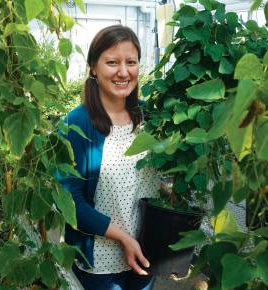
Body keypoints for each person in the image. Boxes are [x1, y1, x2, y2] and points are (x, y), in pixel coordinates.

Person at [57, 25, 161, 290]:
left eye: (131, 62)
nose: (123, 72)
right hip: (100, 260)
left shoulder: (148, 118)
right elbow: (70, 204)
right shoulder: (76, 125)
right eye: (112, 62)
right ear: (93, 67)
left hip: (146, 249)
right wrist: (124, 238)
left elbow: (142, 177)